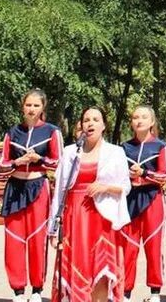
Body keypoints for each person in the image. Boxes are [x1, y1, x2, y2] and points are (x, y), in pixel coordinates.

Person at [49, 107, 131, 302]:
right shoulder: (70, 152)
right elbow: (59, 191)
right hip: (75, 218)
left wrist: (105, 187)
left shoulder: (116, 152)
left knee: (102, 271)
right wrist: (53, 229)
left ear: (103, 125)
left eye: (95, 119)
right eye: (86, 120)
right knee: (79, 268)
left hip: (102, 219)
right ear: (82, 125)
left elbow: (125, 186)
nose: (90, 123)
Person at [0, 89, 63, 302]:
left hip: (38, 187)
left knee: (37, 239)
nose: (31, 109)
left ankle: (36, 290)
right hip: (15, 188)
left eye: (36, 105)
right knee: (14, 240)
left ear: (43, 107)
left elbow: (59, 162)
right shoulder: (13, 132)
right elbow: (1, 166)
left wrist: (39, 159)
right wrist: (16, 163)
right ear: (22, 107)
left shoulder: (52, 132)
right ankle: (18, 290)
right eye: (28, 105)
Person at [119, 105, 166, 302]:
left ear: (152, 122)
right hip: (130, 199)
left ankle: (155, 292)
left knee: (153, 246)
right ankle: (125, 291)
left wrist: (145, 174)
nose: (139, 120)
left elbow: (164, 175)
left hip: (153, 199)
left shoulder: (160, 146)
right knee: (128, 247)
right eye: (135, 117)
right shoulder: (124, 147)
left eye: (143, 117)